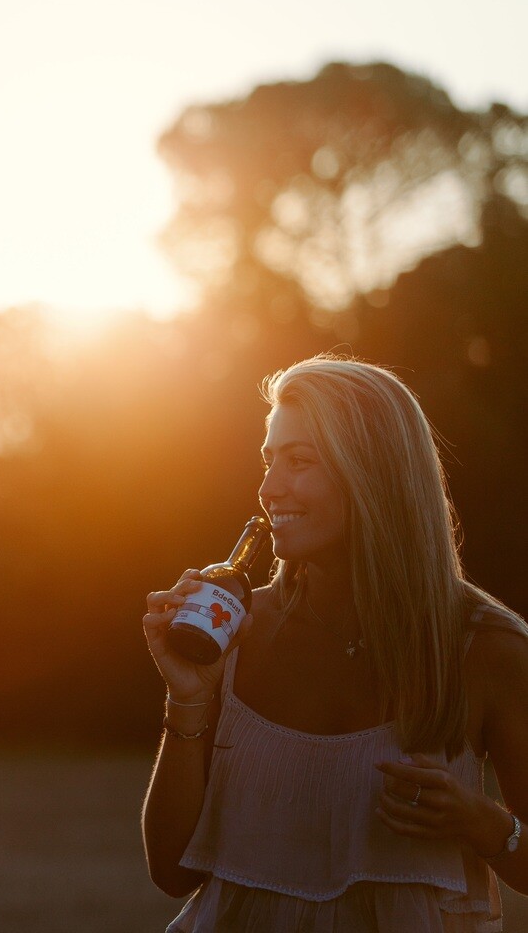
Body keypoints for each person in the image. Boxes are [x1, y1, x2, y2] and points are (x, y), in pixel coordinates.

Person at [142, 354, 528, 931]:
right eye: (269, 461)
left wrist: (482, 822)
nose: (269, 489)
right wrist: (188, 696)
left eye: (299, 461)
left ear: (374, 473)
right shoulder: (239, 630)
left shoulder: (487, 650)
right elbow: (172, 874)